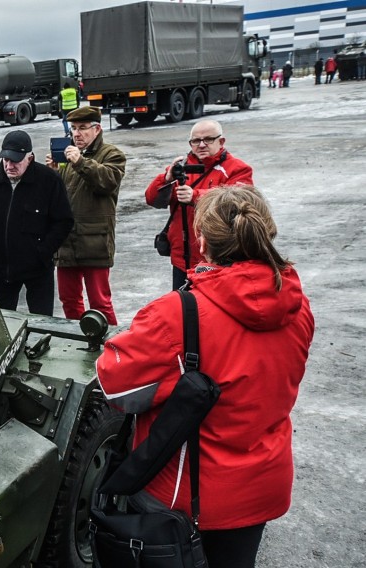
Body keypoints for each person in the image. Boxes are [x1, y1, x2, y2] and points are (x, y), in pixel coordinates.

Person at [96, 186, 315, 568]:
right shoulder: (296, 303)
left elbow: (118, 385)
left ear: (201, 239)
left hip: (186, 496)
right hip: (263, 481)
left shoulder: (178, 313)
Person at [144, 119, 253, 290]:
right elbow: (152, 199)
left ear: (221, 141)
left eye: (208, 139)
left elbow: (240, 203)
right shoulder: (181, 168)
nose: (201, 145)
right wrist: (166, 179)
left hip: (218, 258)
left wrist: (196, 197)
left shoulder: (237, 169)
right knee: (184, 309)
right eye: (196, 141)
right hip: (183, 259)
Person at [0, 131, 73, 315]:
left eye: (15, 160)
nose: (9, 165)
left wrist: (42, 252)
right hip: (3, 270)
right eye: (6, 159)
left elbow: (64, 221)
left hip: (38, 270)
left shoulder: (49, 180)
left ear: (30, 158)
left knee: (43, 321)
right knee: (4, 322)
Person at [46, 106, 125, 326]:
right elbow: (64, 196)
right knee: (69, 301)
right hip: (68, 242)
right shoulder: (70, 159)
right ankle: (79, 342)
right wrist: (55, 172)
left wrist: (80, 162)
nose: (77, 134)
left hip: (95, 241)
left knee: (100, 303)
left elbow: (107, 181)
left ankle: (112, 345)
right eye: (73, 128)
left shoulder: (112, 154)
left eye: (83, 128)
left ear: (97, 129)